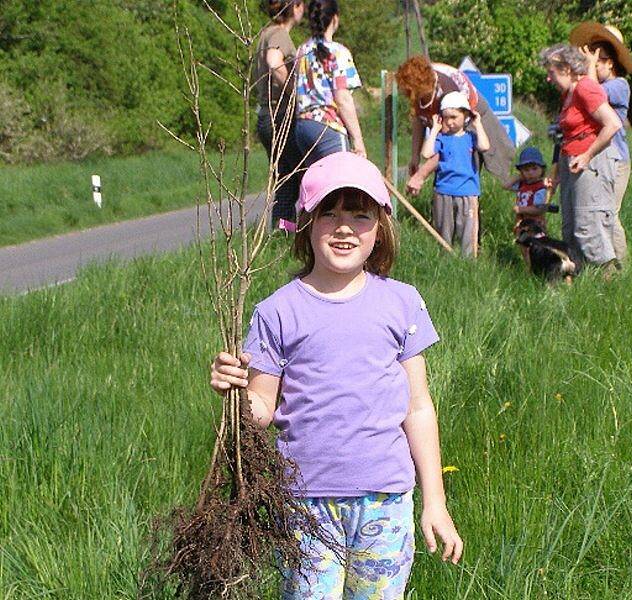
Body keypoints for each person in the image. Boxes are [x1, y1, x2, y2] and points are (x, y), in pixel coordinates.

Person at [209, 152, 463, 598]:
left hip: (385, 500)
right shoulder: (276, 312)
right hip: (305, 503)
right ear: (306, 223)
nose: (344, 227)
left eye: (360, 215)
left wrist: (434, 501)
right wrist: (234, 391)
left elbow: (418, 406)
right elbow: (262, 409)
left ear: (380, 227)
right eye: (330, 213)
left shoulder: (401, 302)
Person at [539, 43, 622, 276]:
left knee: (589, 225)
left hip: (591, 164)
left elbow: (612, 124)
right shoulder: (568, 94)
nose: (548, 79)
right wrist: (556, 174)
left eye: (551, 72)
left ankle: (608, 280)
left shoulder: (586, 87)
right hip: (571, 162)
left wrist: (587, 155)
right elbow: (565, 136)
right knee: (572, 227)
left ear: (566, 68)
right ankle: (584, 282)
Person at [397, 55, 515, 196]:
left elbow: (447, 144)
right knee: (448, 177)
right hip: (447, 122)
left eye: (412, 92)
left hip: (474, 116)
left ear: (424, 87)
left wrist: (420, 176)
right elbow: (419, 118)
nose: (410, 96)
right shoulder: (418, 91)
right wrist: (415, 157)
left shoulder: (448, 94)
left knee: (489, 170)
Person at [570, 22, 632, 263]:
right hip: (597, 157)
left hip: (616, 159)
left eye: (599, 59)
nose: (593, 64)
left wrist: (587, 69)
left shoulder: (619, 86)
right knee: (597, 214)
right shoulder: (597, 82)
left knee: (609, 214)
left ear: (611, 63)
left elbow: (592, 93)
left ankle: (620, 263)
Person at [294, 0, 366, 163]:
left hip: (303, 126)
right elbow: (343, 99)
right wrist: (358, 140)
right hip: (328, 126)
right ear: (335, 19)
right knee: (339, 182)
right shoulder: (338, 53)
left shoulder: (302, 51)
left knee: (318, 183)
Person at [420, 91, 490, 258]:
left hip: (468, 192)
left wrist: (477, 124)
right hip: (444, 191)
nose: (450, 122)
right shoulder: (441, 139)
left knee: (468, 234)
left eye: (454, 117)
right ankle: (445, 261)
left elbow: (485, 146)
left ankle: (468, 264)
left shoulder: (471, 137)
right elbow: (426, 153)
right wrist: (435, 130)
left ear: (465, 115)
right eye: (446, 118)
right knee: (443, 233)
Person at [254, 0, 305, 227]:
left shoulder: (266, 33)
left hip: (266, 115)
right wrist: (295, 92)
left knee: (287, 178)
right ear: (294, 7)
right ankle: (291, 230)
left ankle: (283, 231)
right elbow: (274, 62)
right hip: (279, 115)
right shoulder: (279, 34)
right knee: (298, 175)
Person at [503, 146, 553, 268]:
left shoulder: (540, 188)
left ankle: (539, 269)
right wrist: (519, 177)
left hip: (535, 224)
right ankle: (529, 269)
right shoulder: (522, 184)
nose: (530, 173)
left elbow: (539, 209)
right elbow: (505, 185)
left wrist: (521, 209)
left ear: (542, 169)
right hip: (521, 224)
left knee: (536, 248)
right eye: (526, 170)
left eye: (534, 169)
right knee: (524, 248)